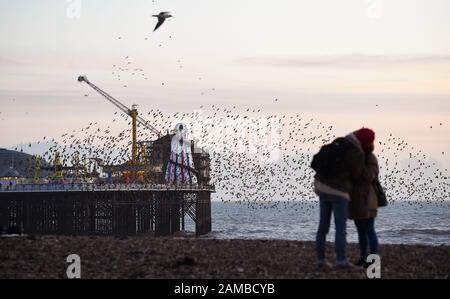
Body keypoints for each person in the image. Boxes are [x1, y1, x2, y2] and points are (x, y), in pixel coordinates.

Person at [313, 130, 366, 270]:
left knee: (322, 227)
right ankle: (341, 261)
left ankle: (320, 260)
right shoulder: (357, 152)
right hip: (338, 193)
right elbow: (357, 175)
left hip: (322, 188)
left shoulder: (339, 142)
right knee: (340, 229)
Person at [349, 128, 379, 268]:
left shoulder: (370, 158)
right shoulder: (357, 157)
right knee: (361, 231)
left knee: (369, 230)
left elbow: (369, 176)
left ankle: (373, 260)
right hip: (356, 200)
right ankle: (364, 258)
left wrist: (359, 162)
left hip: (368, 200)